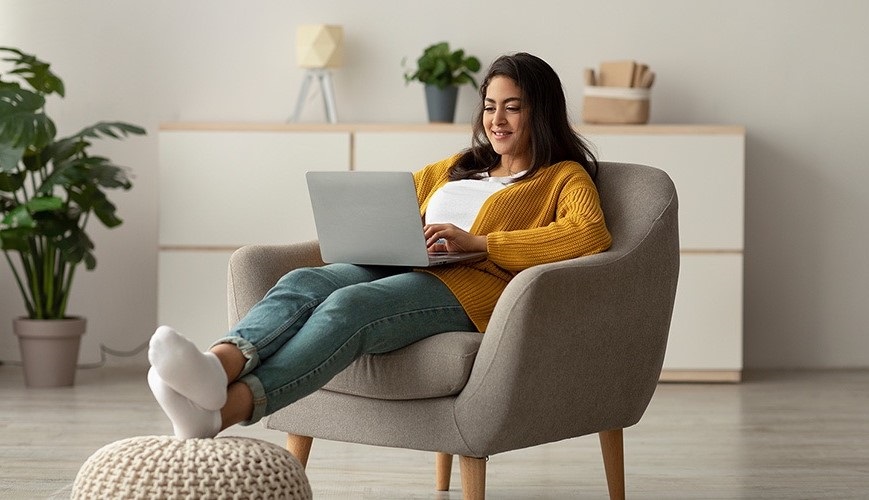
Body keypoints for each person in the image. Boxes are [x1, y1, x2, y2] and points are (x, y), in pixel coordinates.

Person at [147, 52, 613, 439]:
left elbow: (589, 234)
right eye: (490, 106)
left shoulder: (561, 176)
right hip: (406, 266)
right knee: (303, 279)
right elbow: (393, 203)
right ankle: (217, 368)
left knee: (350, 305)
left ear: (541, 111)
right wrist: (376, 228)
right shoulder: (460, 166)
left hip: (469, 288)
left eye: (513, 106)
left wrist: (482, 242)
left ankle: (222, 413)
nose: (497, 119)